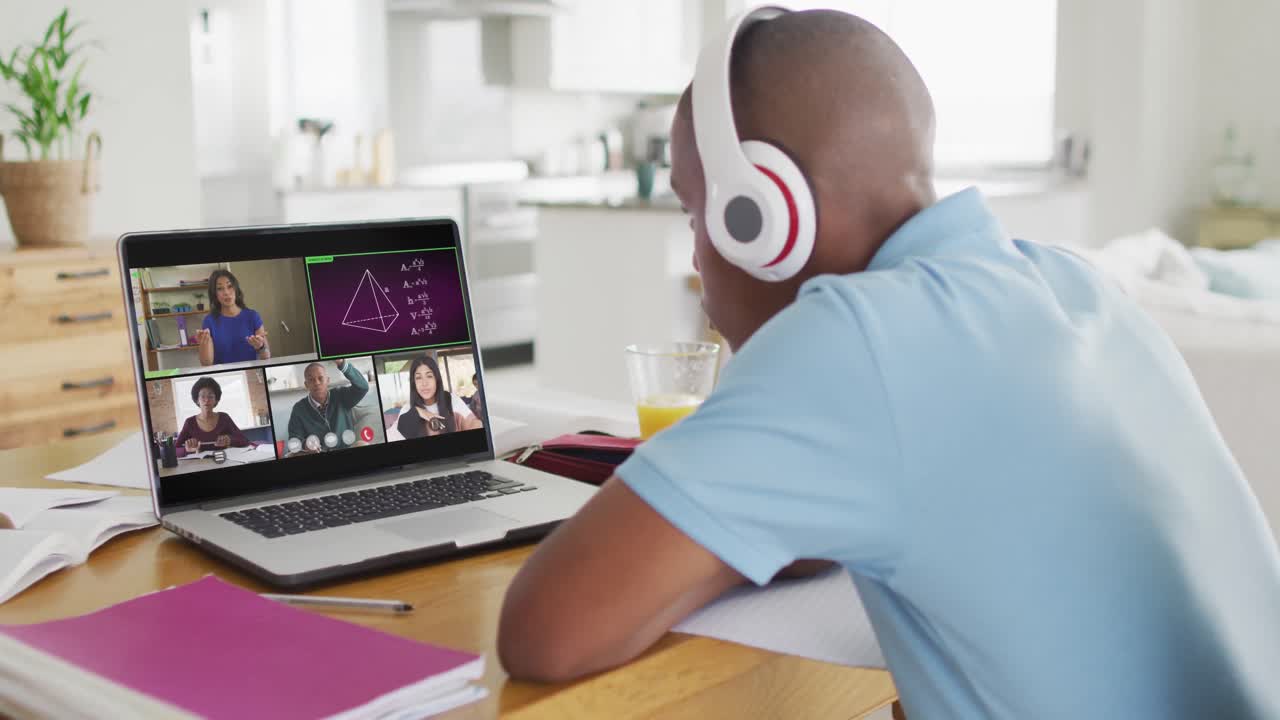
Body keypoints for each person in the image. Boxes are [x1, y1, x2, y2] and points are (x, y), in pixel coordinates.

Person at [496, 8, 1280, 719]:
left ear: (760, 216)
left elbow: (546, 630)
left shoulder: (854, 337)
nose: (699, 252)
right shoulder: (1076, 287)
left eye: (695, 212)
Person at [391, 355, 483, 440]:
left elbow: (473, 424)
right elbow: (393, 436)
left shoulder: (451, 400)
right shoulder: (407, 409)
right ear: (413, 383)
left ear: (436, 379)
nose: (424, 383)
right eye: (418, 378)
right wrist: (417, 412)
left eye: (429, 376)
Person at [286, 359, 368, 454]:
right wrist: (306, 445)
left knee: (362, 444)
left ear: (328, 380)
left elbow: (363, 387)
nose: (316, 383)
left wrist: (342, 364)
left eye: (320, 378)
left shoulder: (341, 395)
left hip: (347, 448)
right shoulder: (299, 409)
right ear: (306, 385)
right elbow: (294, 440)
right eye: (311, 380)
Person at [195, 269, 270, 366]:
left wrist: (261, 347)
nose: (226, 292)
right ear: (214, 294)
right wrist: (203, 344)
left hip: (250, 372)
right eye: (220, 288)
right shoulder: (209, 321)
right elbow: (206, 363)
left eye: (229, 286)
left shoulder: (252, 316)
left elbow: (266, 356)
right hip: (224, 373)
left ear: (236, 288)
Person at [175, 376, 250, 456]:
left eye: (210, 396)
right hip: (200, 463)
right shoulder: (190, 422)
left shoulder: (224, 418)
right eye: (203, 396)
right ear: (197, 400)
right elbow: (175, 449)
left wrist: (229, 440)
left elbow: (245, 441)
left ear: (216, 400)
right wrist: (186, 450)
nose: (207, 400)